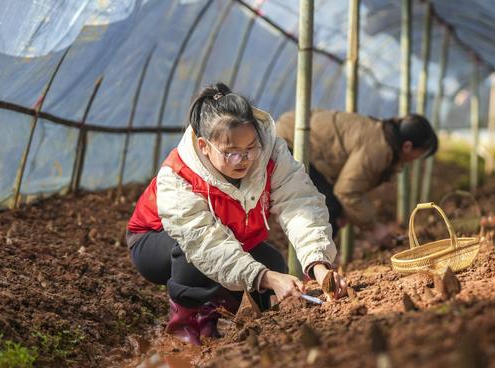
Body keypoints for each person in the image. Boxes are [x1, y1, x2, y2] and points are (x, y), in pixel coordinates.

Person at [126, 83, 347, 346]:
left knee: (273, 262)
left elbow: (298, 203)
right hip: (155, 242)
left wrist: (318, 265)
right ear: (204, 146)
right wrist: (265, 278)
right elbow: (204, 242)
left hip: (230, 236)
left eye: (251, 148)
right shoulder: (177, 175)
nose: (244, 160)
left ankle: (225, 314)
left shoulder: (271, 153)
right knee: (192, 257)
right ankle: (185, 324)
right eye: (231, 153)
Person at [276, 109, 438, 246]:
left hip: (295, 134)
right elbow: (346, 191)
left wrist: (349, 211)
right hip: (290, 141)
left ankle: (319, 263)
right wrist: (375, 228)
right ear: (408, 147)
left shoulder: (383, 136)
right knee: (327, 208)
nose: (417, 160)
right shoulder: (378, 150)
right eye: (420, 153)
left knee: (333, 206)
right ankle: (312, 270)